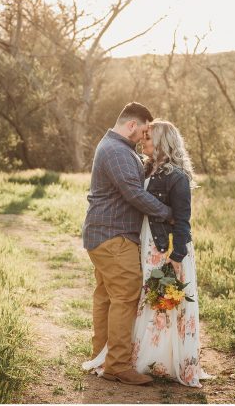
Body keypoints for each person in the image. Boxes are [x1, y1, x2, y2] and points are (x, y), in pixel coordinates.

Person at [83, 119, 210, 387]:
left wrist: (176, 258)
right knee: (145, 303)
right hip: (147, 245)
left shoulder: (177, 176)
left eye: (149, 138)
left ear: (163, 142)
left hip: (166, 251)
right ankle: (143, 358)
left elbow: (183, 222)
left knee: (165, 303)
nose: (144, 141)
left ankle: (164, 361)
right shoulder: (146, 168)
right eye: (144, 136)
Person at [82, 102, 173, 386]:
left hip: (104, 235)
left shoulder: (116, 148)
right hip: (114, 236)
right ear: (132, 125)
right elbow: (133, 193)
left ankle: (102, 356)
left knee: (107, 297)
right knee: (125, 296)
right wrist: (167, 213)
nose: (144, 137)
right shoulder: (117, 151)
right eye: (144, 130)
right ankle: (118, 366)